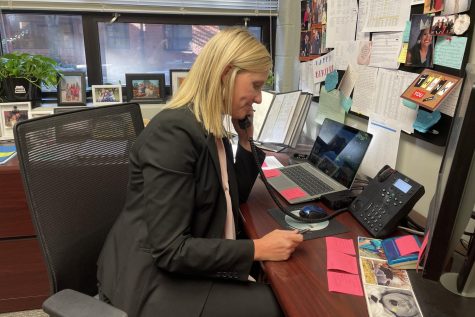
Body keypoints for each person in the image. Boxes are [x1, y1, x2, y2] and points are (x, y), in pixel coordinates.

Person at [96, 27, 304, 317]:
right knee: (274, 305)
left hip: (181, 264)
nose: (258, 99)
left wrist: (246, 141)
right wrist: (256, 249)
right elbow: (171, 250)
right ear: (226, 73)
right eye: (255, 85)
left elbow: (230, 197)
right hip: (152, 280)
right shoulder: (174, 134)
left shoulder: (209, 126)